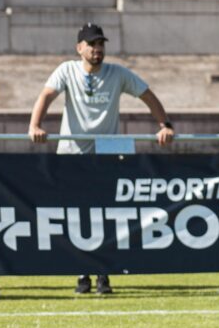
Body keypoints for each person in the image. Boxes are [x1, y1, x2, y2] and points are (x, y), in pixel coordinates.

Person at [28, 23, 175, 295]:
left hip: (106, 154)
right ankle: (82, 272)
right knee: (77, 215)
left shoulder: (117, 73)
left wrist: (164, 124)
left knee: (107, 214)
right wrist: (35, 125)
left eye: (101, 44)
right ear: (79, 47)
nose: (97, 49)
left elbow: (147, 95)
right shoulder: (66, 70)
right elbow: (46, 95)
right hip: (72, 153)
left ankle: (104, 273)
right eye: (92, 44)